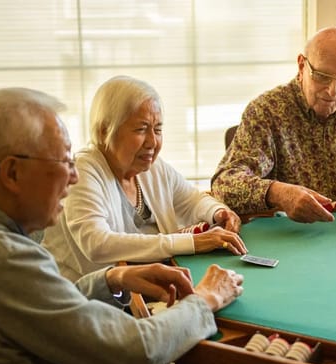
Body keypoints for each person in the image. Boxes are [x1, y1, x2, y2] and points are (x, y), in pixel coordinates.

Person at [0, 87, 244, 364]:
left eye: (157, 129)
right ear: (12, 172)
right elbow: (137, 349)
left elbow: (48, 302)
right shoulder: (2, 257)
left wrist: (112, 278)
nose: (72, 177)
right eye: (63, 161)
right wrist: (206, 298)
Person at [42, 76, 247, 282]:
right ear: (105, 130)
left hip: (141, 286)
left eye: (157, 129)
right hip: (87, 298)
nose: (152, 142)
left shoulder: (150, 167)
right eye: (141, 129)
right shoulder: (83, 170)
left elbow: (192, 199)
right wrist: (192, 242)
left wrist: (218, 213)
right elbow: (97, 244)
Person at [211, 26, 336, 223]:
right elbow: (224, 184)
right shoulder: (267, 111)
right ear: (302, 65)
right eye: (322, 76)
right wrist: (278, 193)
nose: (333, 91)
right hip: (288, 236)